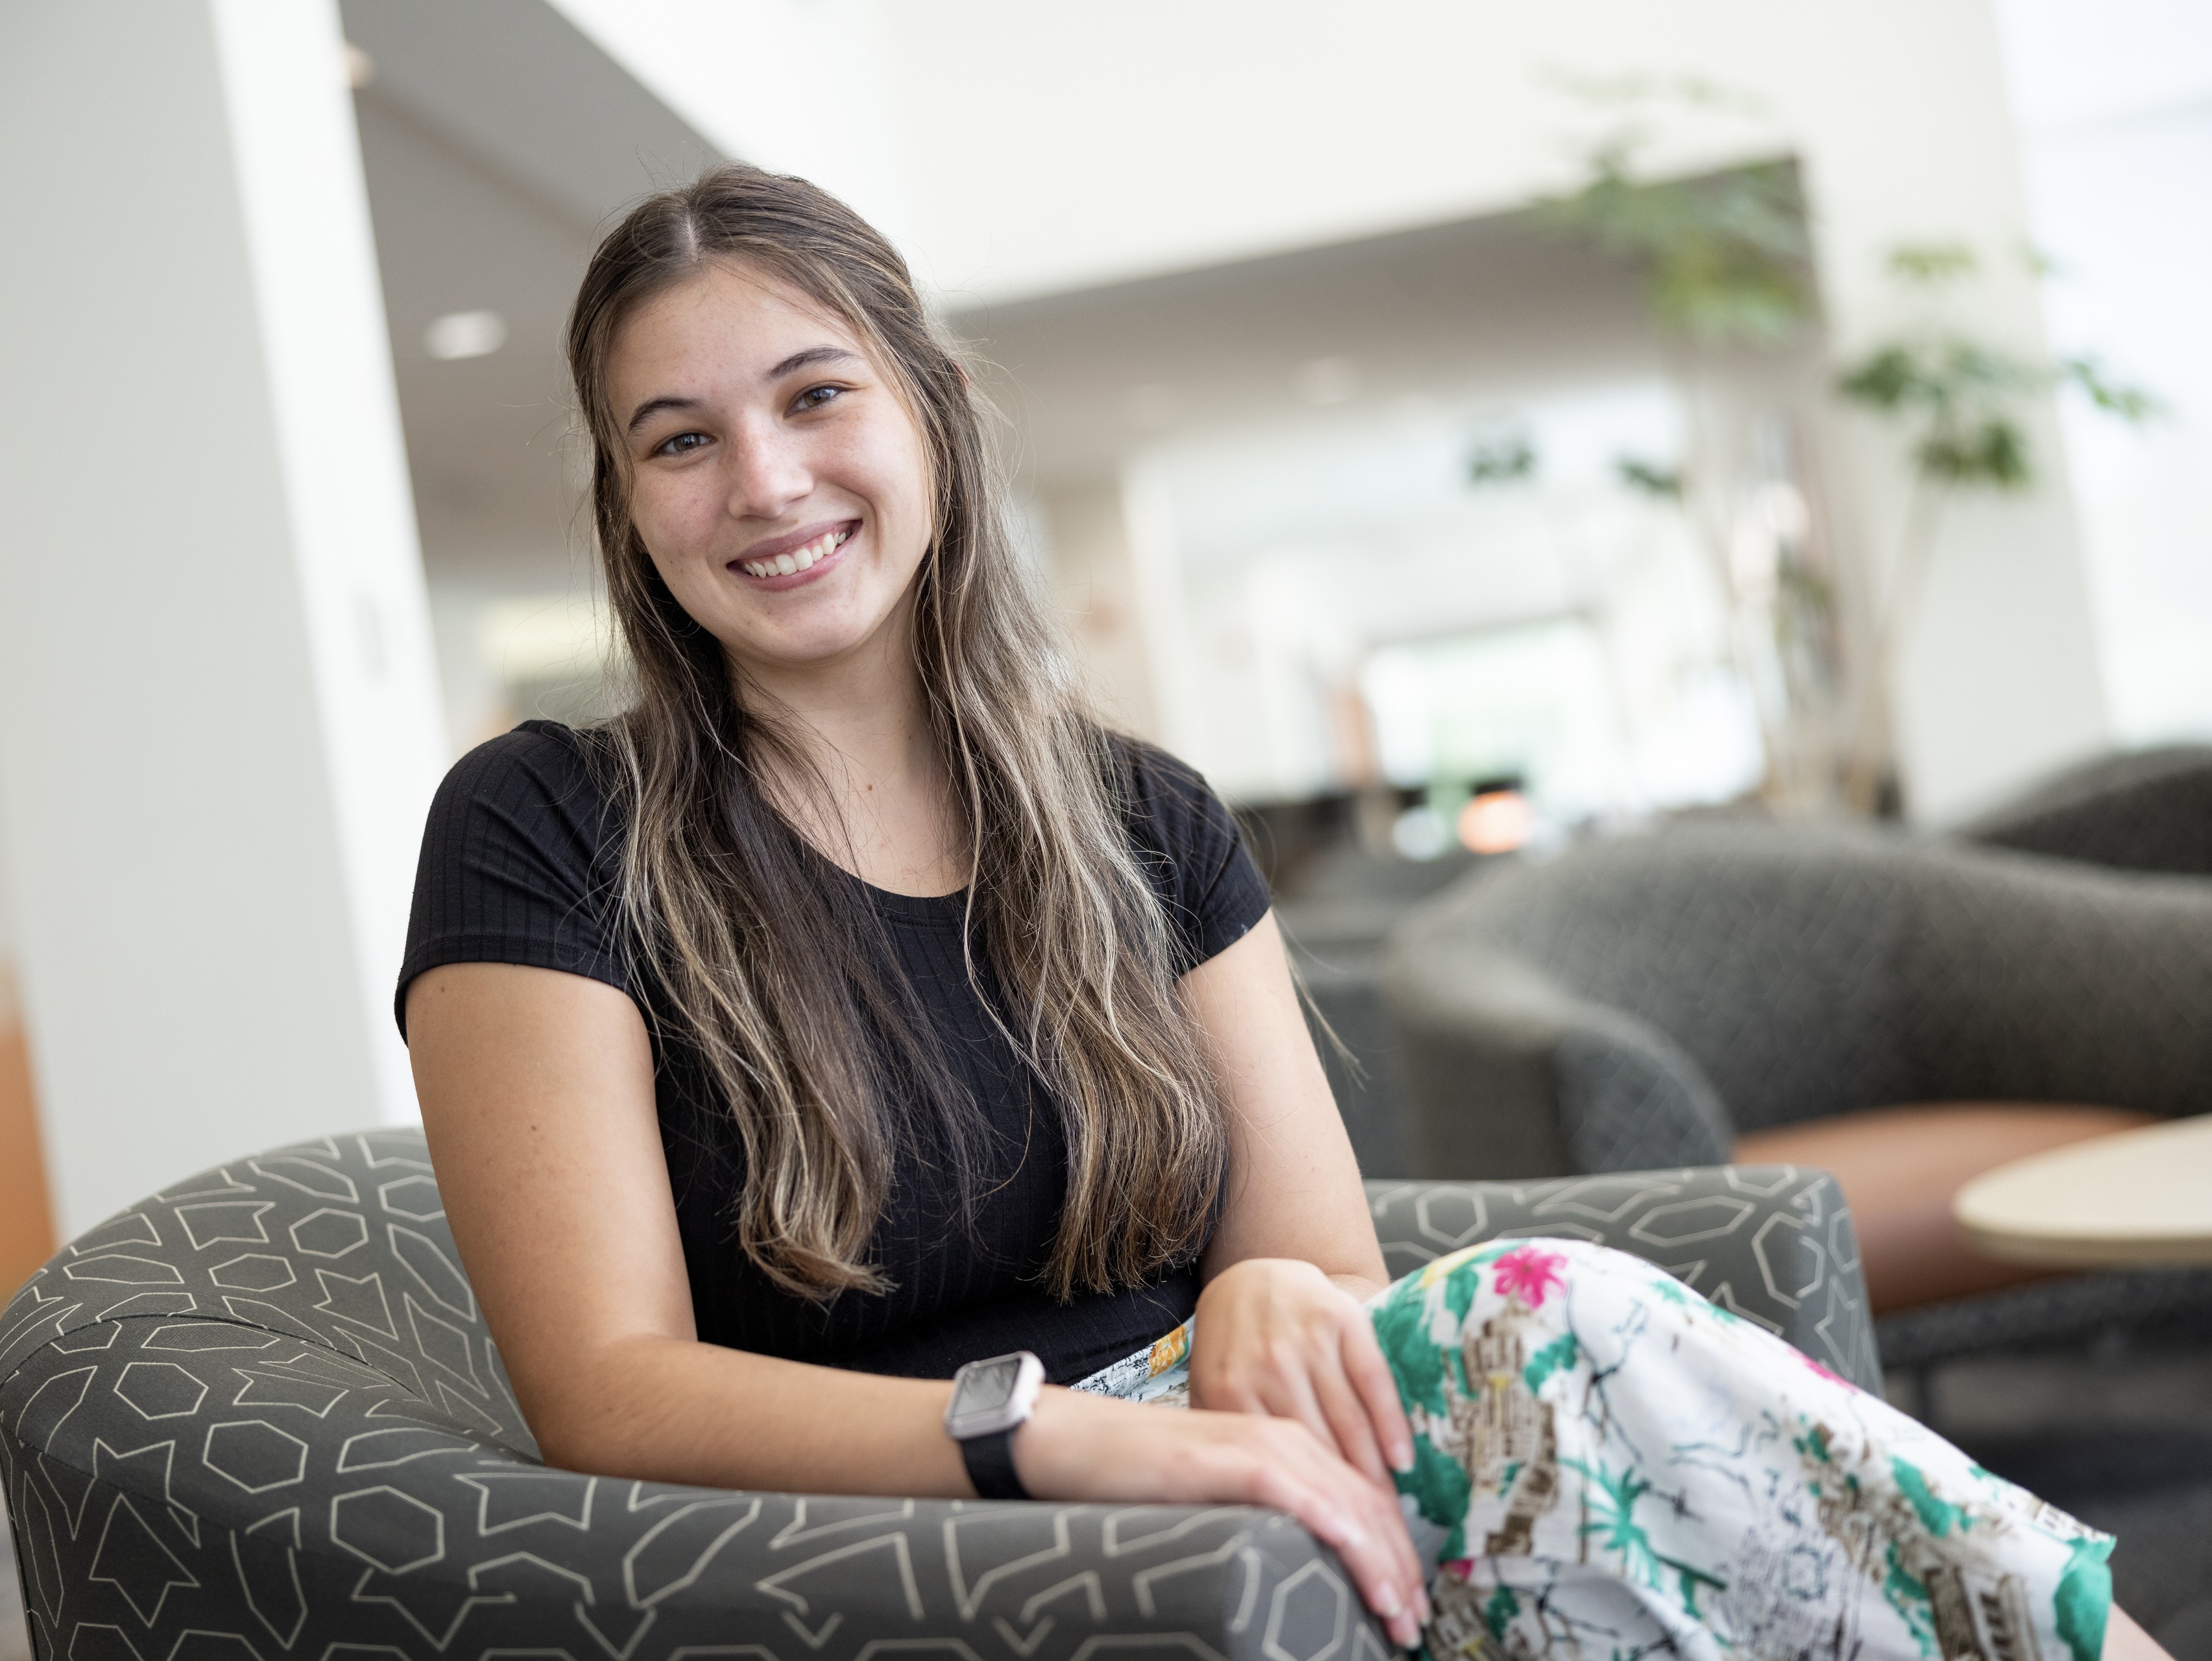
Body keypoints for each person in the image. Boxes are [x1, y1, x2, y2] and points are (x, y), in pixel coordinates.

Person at [398, 165, 2166, 1661]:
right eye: (680, 440)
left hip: (1245, 1453)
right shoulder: (546, 824)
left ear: (926, 410)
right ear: (633, 511)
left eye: (813, 396)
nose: (766, 483)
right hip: (913, 1535)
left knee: (1607, 1452)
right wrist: (1064, 1444)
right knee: (1559, 1326)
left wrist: (1260, 1293)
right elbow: (608, 1393)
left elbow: (1322, 1258)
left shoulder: (1142, 815)